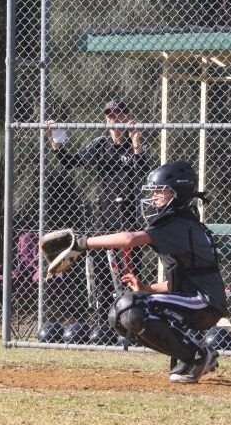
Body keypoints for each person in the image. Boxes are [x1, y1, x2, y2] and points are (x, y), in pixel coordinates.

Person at [39, 161, 228, 384]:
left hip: (204, 302)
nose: (155, 196)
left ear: (178, 194)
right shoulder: (179, 223)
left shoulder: (179, 223)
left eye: (161, 191)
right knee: (118, 317)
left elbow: (129, 240)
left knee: (132, 307)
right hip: (194, 299)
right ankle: (194, 351)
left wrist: (83, 242)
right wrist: (146, 289)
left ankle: (196, 356)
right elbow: (179, 282)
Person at [47, 99, 155, 303]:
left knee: (129, 274)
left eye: (118, 114)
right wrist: (56, 140)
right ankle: (104, 318)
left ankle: (130, 313)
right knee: (103, 274)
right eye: (109, 115)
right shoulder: (100, 145)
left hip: (128, 218)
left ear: (126, 117)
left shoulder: (136, 143)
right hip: (103, 218)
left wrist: (136, 142)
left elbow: (143, 171)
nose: (113, 118)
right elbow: (70, 162)